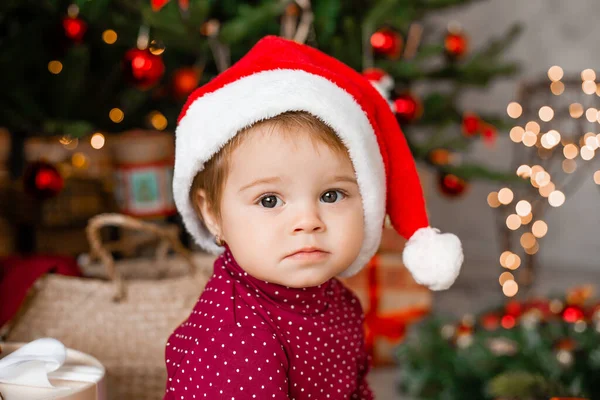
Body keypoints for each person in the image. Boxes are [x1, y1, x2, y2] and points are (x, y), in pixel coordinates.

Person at [164, 35, 463, 400]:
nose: (308, 221)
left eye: (331, 195)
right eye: (270, 200)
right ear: (212, 214)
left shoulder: (336, 301)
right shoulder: (233, 338)